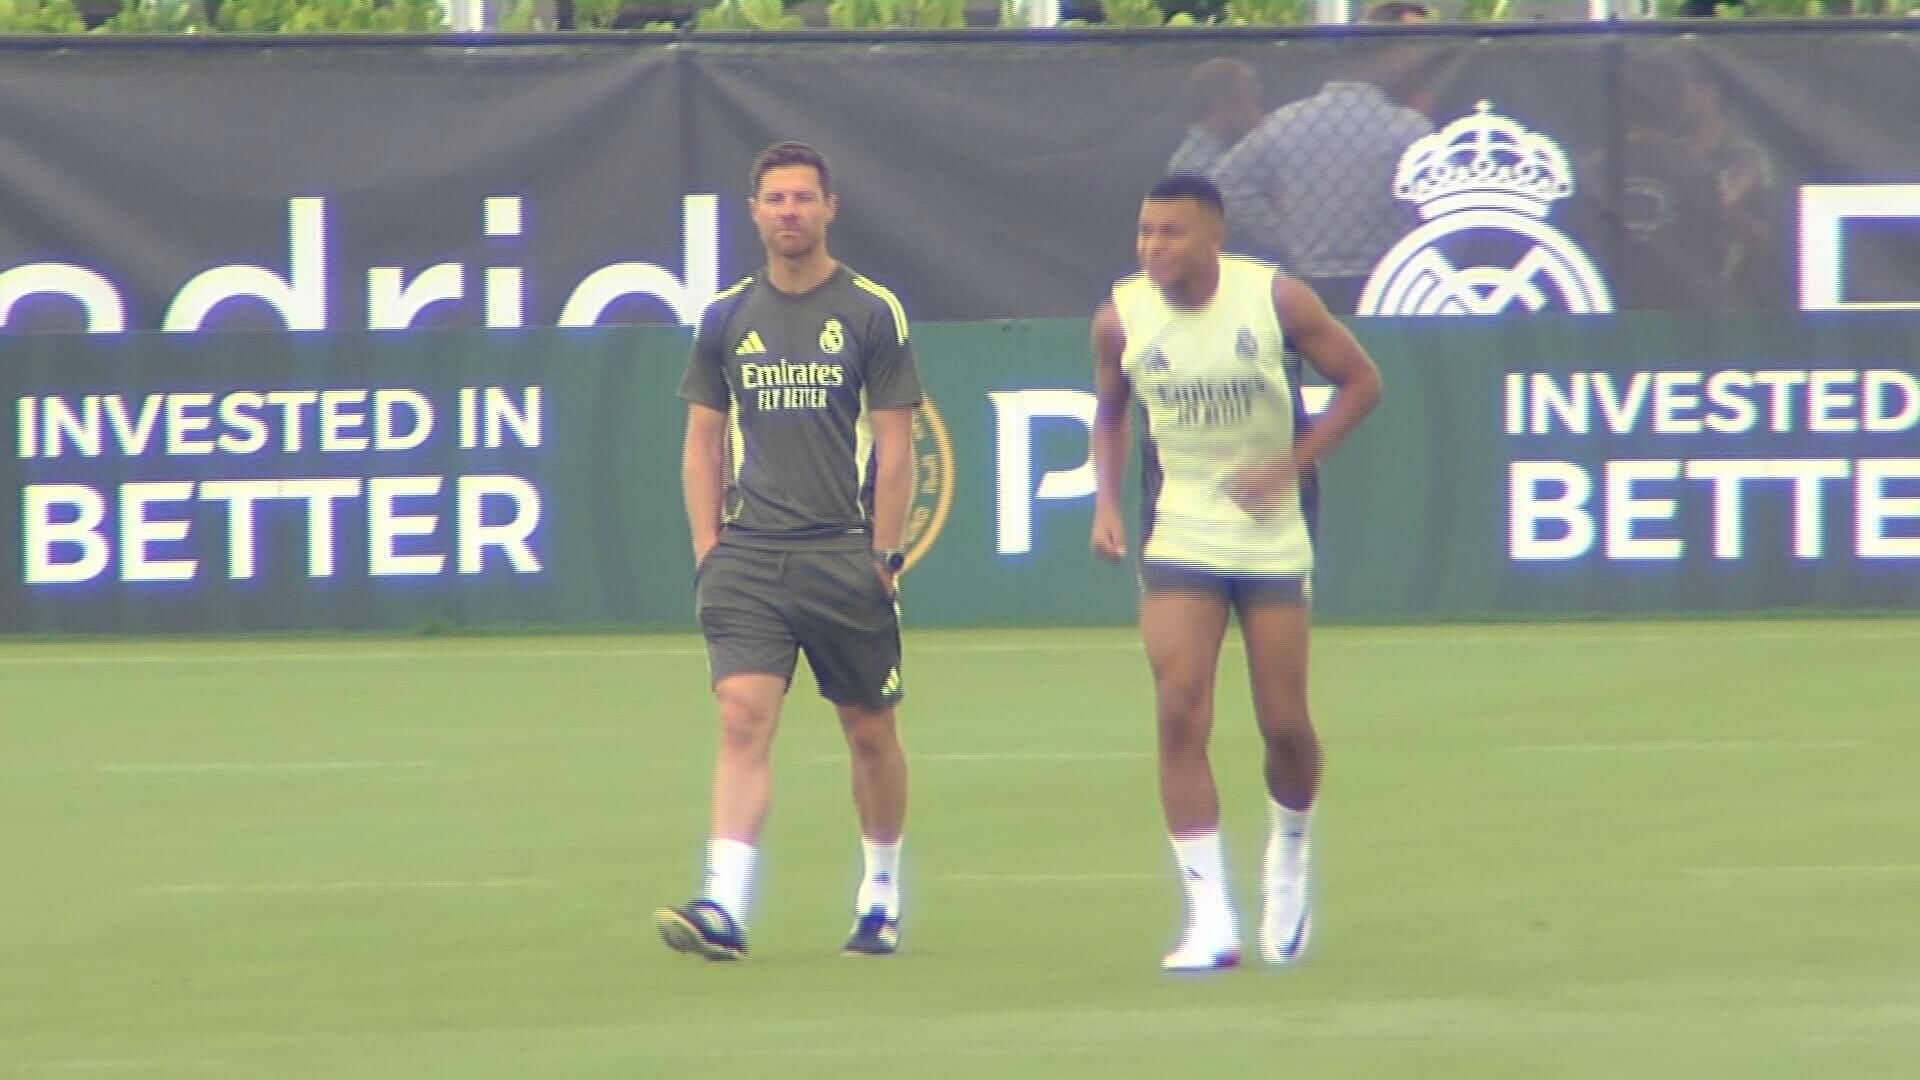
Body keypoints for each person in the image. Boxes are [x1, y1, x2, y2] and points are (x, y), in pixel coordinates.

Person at [1089, 175, 1383, 972]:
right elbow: (1112, 412)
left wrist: (1293, 462)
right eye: (1145, 232)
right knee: (1179, 707)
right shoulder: (1121, 317)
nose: (1153, 247)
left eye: (1171, 233)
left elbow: (1363, 383)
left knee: (1284, 724)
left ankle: (1289, 852)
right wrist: (1106, 501)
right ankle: (1209, 916)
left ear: (1213, 237)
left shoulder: (1276, 300)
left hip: (1271, 533)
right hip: (1181, 527)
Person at [656, 141, 920, 962]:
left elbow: (898, 443)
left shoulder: (873, 311)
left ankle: (881, 891)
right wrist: (709, 549)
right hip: (750, 557)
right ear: (755, 212)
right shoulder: (727, 316)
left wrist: (884, 554)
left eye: (804, 198)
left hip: (841, 551)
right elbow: (702, 444)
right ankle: (723, 907)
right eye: (775, 199)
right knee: (742, 721)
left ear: (830, 208)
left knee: (869, 730)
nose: (790, 212)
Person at [1166, 59, 1265, 179]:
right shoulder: (1190, 165)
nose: (1256, 111)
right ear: (1223, 102)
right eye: (1249, 97)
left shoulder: (1258, 144)